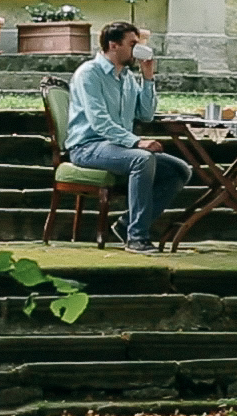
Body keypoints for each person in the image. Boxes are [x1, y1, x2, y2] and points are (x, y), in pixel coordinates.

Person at [65, 21, 192, 253]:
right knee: (142, 159)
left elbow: (146, 114)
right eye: (132, 44)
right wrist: (137, 142)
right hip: (88, 146)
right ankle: (137, 237)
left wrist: (148, 78)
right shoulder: (89, 74)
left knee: (179, 170)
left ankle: (125, 225)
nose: (137, 49)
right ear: (113, 45)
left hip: (117, 147)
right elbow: (99, 122)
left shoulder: (126, 78)